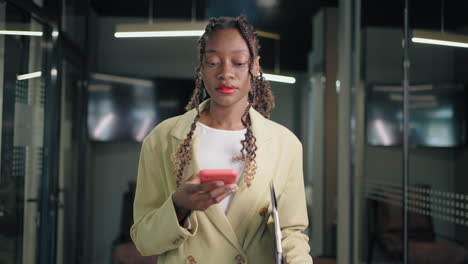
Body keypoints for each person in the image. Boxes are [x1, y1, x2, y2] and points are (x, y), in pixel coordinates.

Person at [130, 16, 312, 264]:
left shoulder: (285, 144)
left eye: (238, 62)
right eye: (213, 62)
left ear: (255, 66)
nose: (226, 73)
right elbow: (143, 241)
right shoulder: (162, 139)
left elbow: (291, 232)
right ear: (202, 67)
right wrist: (179, 206)